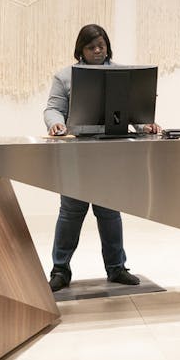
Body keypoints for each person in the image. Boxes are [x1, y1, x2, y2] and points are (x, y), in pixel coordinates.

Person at [43, 23, 159, 291]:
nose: (98, 50)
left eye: (102, 45)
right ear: (80, 50)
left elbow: (134, 111)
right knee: (71, 213)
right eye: (91, 46)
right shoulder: (64, 77)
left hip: (110, 155)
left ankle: (116, 268)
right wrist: (55, 124)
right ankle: (60, 271)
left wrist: (146, 125)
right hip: (76, 155)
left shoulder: (122, 74)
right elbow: (52, 109)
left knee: (109, 212)